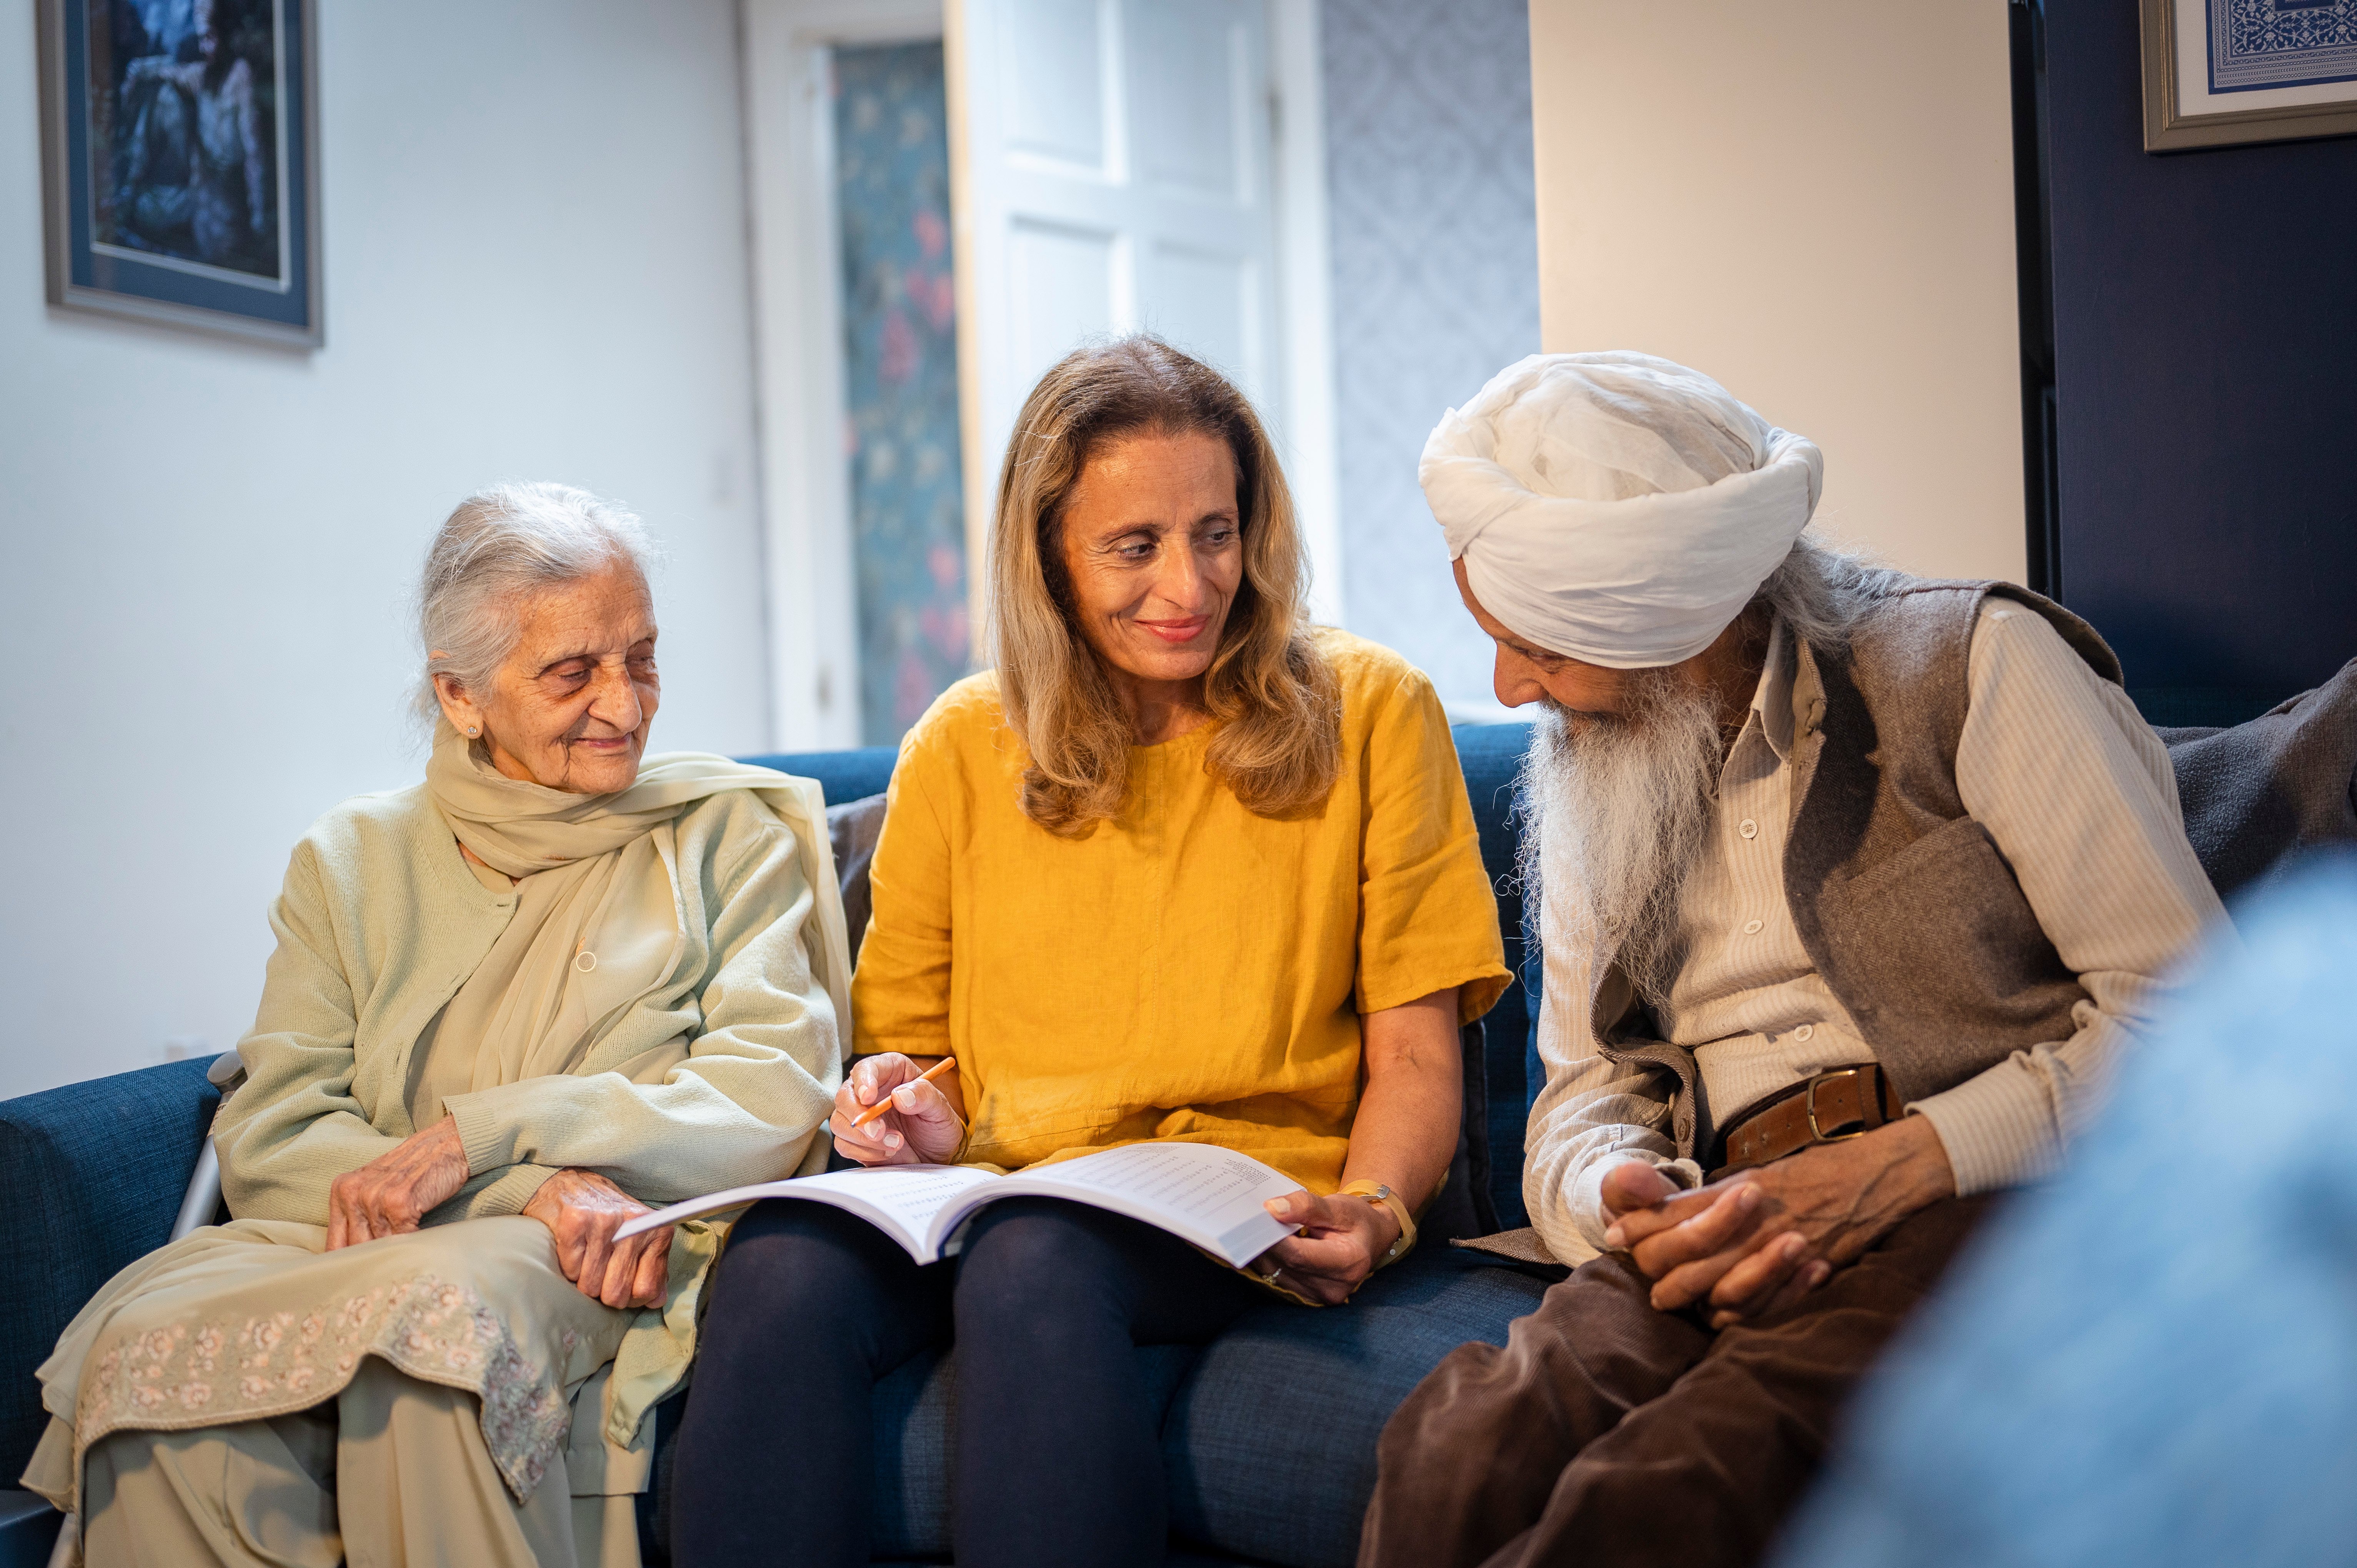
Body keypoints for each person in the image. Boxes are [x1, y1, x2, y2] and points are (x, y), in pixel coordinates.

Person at [1355, 353, 2227, 1568]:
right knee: (1458, 1449)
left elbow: (2200, 1028)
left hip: (1977, 1202)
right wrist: (1616, 1189)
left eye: (1539, 646)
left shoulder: (1977, 664)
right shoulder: (1591, 764)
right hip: (1714, 1204)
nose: (1509, 686)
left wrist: (1893, 1165)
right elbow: (1583, 1087)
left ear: (1665, 616)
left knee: (1666, 1485)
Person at [673, 335, 1511, 1568]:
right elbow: (912, 1056)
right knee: (780, 1267)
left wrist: (1377, 1209)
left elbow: (1415, 1052)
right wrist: (902, 1109)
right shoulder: (962, 743)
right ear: (1050, 559)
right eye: (1135, 545)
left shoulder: (1372, 710)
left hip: (1242, 1198)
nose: (1190, 583)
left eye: (1216, 532)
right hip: (1000, 1188)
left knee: (1038, 1257)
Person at [21, 484, 851, 1568]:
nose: (628, 703)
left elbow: (770, 1094)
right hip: (360, 1236)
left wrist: (479, 1136)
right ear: (460, 697)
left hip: (605, 1246)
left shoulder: (728, 838)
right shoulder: (349, 860)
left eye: (642, 656)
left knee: (432, 1341)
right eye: (574, 671)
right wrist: (519, 1183)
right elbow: (274, 1128)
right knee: (150, 1376)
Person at [1765, 857, 2357, 1568]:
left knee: (1672, 1470)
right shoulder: (1617, 823)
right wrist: (1620, 1186)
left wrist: (1907, 1160)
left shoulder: (2307, 971)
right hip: (1674, 1195)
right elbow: (1599, 1087)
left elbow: (2162, 1001)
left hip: (1939, 1167)